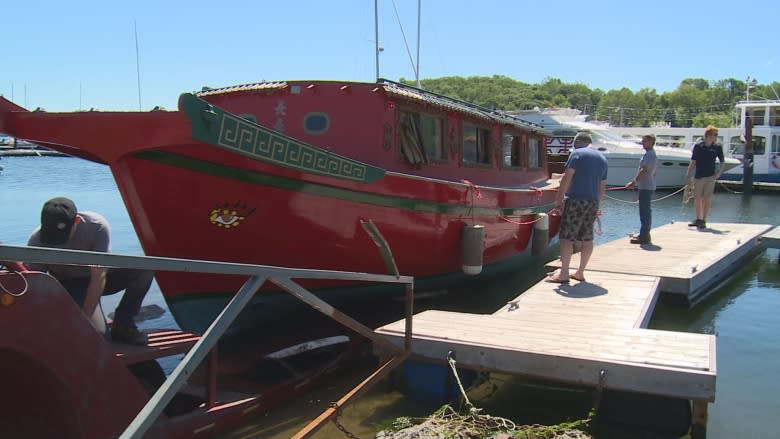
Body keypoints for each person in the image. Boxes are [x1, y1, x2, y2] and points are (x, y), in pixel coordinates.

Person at [27, 197, 152, 345]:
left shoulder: (96, 226)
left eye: (62, 236)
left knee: (145, 268)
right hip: (72, 285)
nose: (58, 241)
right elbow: (32, 283)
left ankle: (123, 324)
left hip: (100, 277)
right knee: (98, 336)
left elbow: (99, 276)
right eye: (51, 236)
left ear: (77, 221)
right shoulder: (37, 241)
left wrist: (85, 318)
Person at [546, 131, 608, 283]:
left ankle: (564, 273)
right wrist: (596, 205)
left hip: (575, 201)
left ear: (578, 142)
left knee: (566, 237)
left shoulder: (577, 154)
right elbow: (602, 187)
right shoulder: (602, 158)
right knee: (587, 238)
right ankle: (580, 272)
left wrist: (558, 201)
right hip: (592, 202)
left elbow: (566, 179)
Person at [685, 125, 726, 229]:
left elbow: (722, 161)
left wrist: (719, 173)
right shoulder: (699, 146)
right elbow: (693, 161)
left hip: (710, 176)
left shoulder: (717, 147)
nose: (716, 137)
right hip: (698, 176)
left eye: (717, 135)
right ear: (708, 135)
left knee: (707, 198)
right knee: (697, 198)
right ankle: (698, 219)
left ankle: (704, 220)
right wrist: (688, 174)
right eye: (715, 135)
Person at [625, 134, 658, 244]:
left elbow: (644, 170)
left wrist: (633, 183)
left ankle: (644, 236)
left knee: (645, 211)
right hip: (646, 186)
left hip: (646, 187)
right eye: (642, 141)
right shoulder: (650, 154)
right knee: (644, 211)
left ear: (651, 142)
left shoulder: (649, 155)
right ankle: (644, 234)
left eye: (645, 141)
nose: (642, 143)